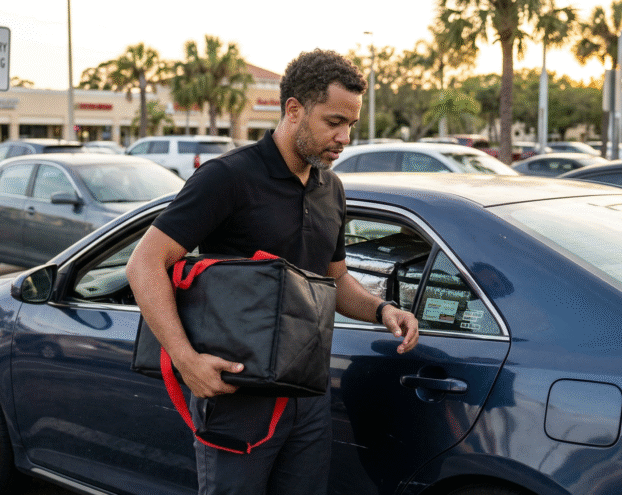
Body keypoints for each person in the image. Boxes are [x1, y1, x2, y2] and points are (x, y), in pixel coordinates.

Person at [126, 48, 419, 495]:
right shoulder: (228, 177)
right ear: (294, 110)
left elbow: (334, 280)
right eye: (333, 122)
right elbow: (145, 262)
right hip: (237, 394)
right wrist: (187, 361)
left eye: (350, 126)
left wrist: (382, 310)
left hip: (307, 395)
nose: (344, 137)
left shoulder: (331, 188)